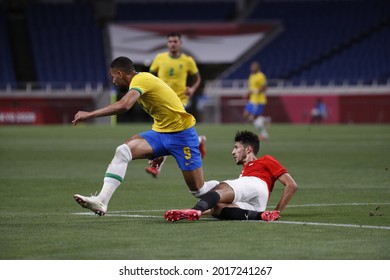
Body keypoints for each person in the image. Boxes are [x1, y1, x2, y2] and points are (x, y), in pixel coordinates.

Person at [72, 57, 216, 216]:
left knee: (198, 190)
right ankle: (101, 201)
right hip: (160, 133)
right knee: (123, 151)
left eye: (113, 76)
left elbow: (124, 105)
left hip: (183, 137)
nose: (113, 80)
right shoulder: (141, 81)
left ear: (120, 73)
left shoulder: (141, 79)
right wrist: (160, 150)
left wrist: (90, 115)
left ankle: (233, 189)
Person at [164, 130, 298, 222]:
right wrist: (190, 212)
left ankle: (194, 210)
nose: (233, 152)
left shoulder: (265, 160)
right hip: (258, 205)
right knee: (217, 209)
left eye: (236, 147)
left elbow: (291, 185)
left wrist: (278, 210)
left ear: (248, 149)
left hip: (257, 185)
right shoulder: (243, 175)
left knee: (220, 188)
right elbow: (214, 205)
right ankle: (261, 216)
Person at [145, 32, 206, 178]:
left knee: (168, 133)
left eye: (175, 41)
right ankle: (199, 140)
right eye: (170, 41)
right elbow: (150, 75)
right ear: (167, 43)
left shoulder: (187, 61)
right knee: (172, 133)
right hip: (161, 100)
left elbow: (197, 78)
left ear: (180, 43)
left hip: (180, 101)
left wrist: (192, 88)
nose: (173, 43)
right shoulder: (159, 58)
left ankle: (156, 167)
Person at [243, 61, 270, 140]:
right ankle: (264, 119)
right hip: (252, 100)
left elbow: (264, 87)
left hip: (259, 100)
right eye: (252, 67)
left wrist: (254, 91)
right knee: (246, 115)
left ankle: (264, 134)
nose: (252, 68)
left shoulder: (261, 76)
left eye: (254, 67)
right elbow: (251, 88)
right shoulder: (251, 76)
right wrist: (248, 94)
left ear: (258, 68)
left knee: (255, 118)